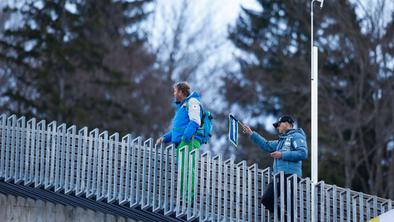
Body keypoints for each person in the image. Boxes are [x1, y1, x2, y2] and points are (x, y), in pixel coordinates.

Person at [240, 115, 308, 218]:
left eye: (278, 124)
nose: (277, 127)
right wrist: (251, 133)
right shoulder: (281, 141)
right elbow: (266, 145)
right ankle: (284, 219)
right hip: (279, 176)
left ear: (287, 123)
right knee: (266, 200)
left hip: (290, 176)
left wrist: (282, 155)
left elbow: (303, 153)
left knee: (289, 204)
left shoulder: (297, 136)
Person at [155, 81, 202, 200]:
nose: (174, 93)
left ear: (181, 92)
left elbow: (195, 121)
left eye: (175, 91)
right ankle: (184, 198)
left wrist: (185, 138)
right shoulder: (182, 106)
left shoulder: (192, 102)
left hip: (189, 141)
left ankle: (188, 199)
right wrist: (164, 138)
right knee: (183, 170)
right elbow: (177, 130)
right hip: (182, 142)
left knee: (187, 169)